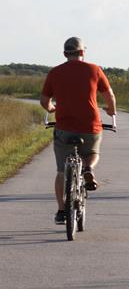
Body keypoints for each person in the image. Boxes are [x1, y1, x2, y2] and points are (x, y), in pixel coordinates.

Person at [40, 37, 117, 224]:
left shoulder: (55, 72)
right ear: (82, 52)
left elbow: (44, 100)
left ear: (65, 53)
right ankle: (89, 168)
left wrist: (51, 109)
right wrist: (111, 111)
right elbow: (110, 97)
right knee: (92, 151)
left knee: (61, 171)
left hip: (64, 127)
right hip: (90, 126)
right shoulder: (94, 70)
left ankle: (61, 211)